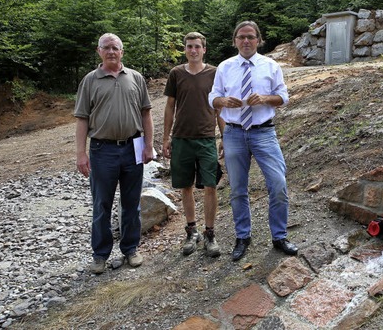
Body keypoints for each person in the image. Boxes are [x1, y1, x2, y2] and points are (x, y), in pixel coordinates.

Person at [209, 20, 298, 261]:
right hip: (234, 133)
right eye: (241, 37)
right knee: (238, 190)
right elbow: (213, 97)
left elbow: (283, 97)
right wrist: (223, 102)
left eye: (250, 37)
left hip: (263, 132)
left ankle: (279, 236)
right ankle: (242, 236)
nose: (246, 41)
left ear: (258, 40)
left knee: (278, 185)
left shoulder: (270, 65)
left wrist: (266, 98)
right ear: (234, 41)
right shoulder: (225, 67)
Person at [75, 33, 154, 274]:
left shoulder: (136, 78)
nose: (111, 52)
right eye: (106, 48)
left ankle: (130, 249)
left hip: (133, 148)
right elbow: (82, 119)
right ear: (99, 52)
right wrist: (81, 153)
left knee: (132, 204)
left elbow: (146, 114)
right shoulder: (90, 81)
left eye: (115, 48)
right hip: (102, 150)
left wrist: (149, 146)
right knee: (101, 204)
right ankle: (100, 255)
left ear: (122, 52)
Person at [163, 32, 224, 258]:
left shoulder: (215, 73)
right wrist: (166, 137)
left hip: (207, 138)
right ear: (185, 49)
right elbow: (169, 106)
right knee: (185, 186)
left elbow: (219, 108)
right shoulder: (176, 73)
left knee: (210, 185)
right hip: (181, 138)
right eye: (189, 46)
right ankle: (192, 231)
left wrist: (224, 137)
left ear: (204, 49)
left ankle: (210, 234)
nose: (193, 50)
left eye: (197, 46)